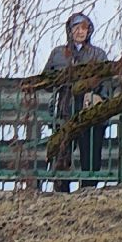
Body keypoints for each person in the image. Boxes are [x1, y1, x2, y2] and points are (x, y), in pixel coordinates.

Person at [41, 12, 111, 192]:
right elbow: (46, 81)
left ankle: (88, 190)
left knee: (91, 156)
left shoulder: (98, 54)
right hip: (66, 110)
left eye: (85, 28)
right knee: (62, 152)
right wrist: (58, 82)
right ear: (69, 30)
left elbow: (108, 82)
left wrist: (98, 97)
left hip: (91, 113)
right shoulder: (58, 54)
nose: (81, 32)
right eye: (77, 28)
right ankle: (61, 190)